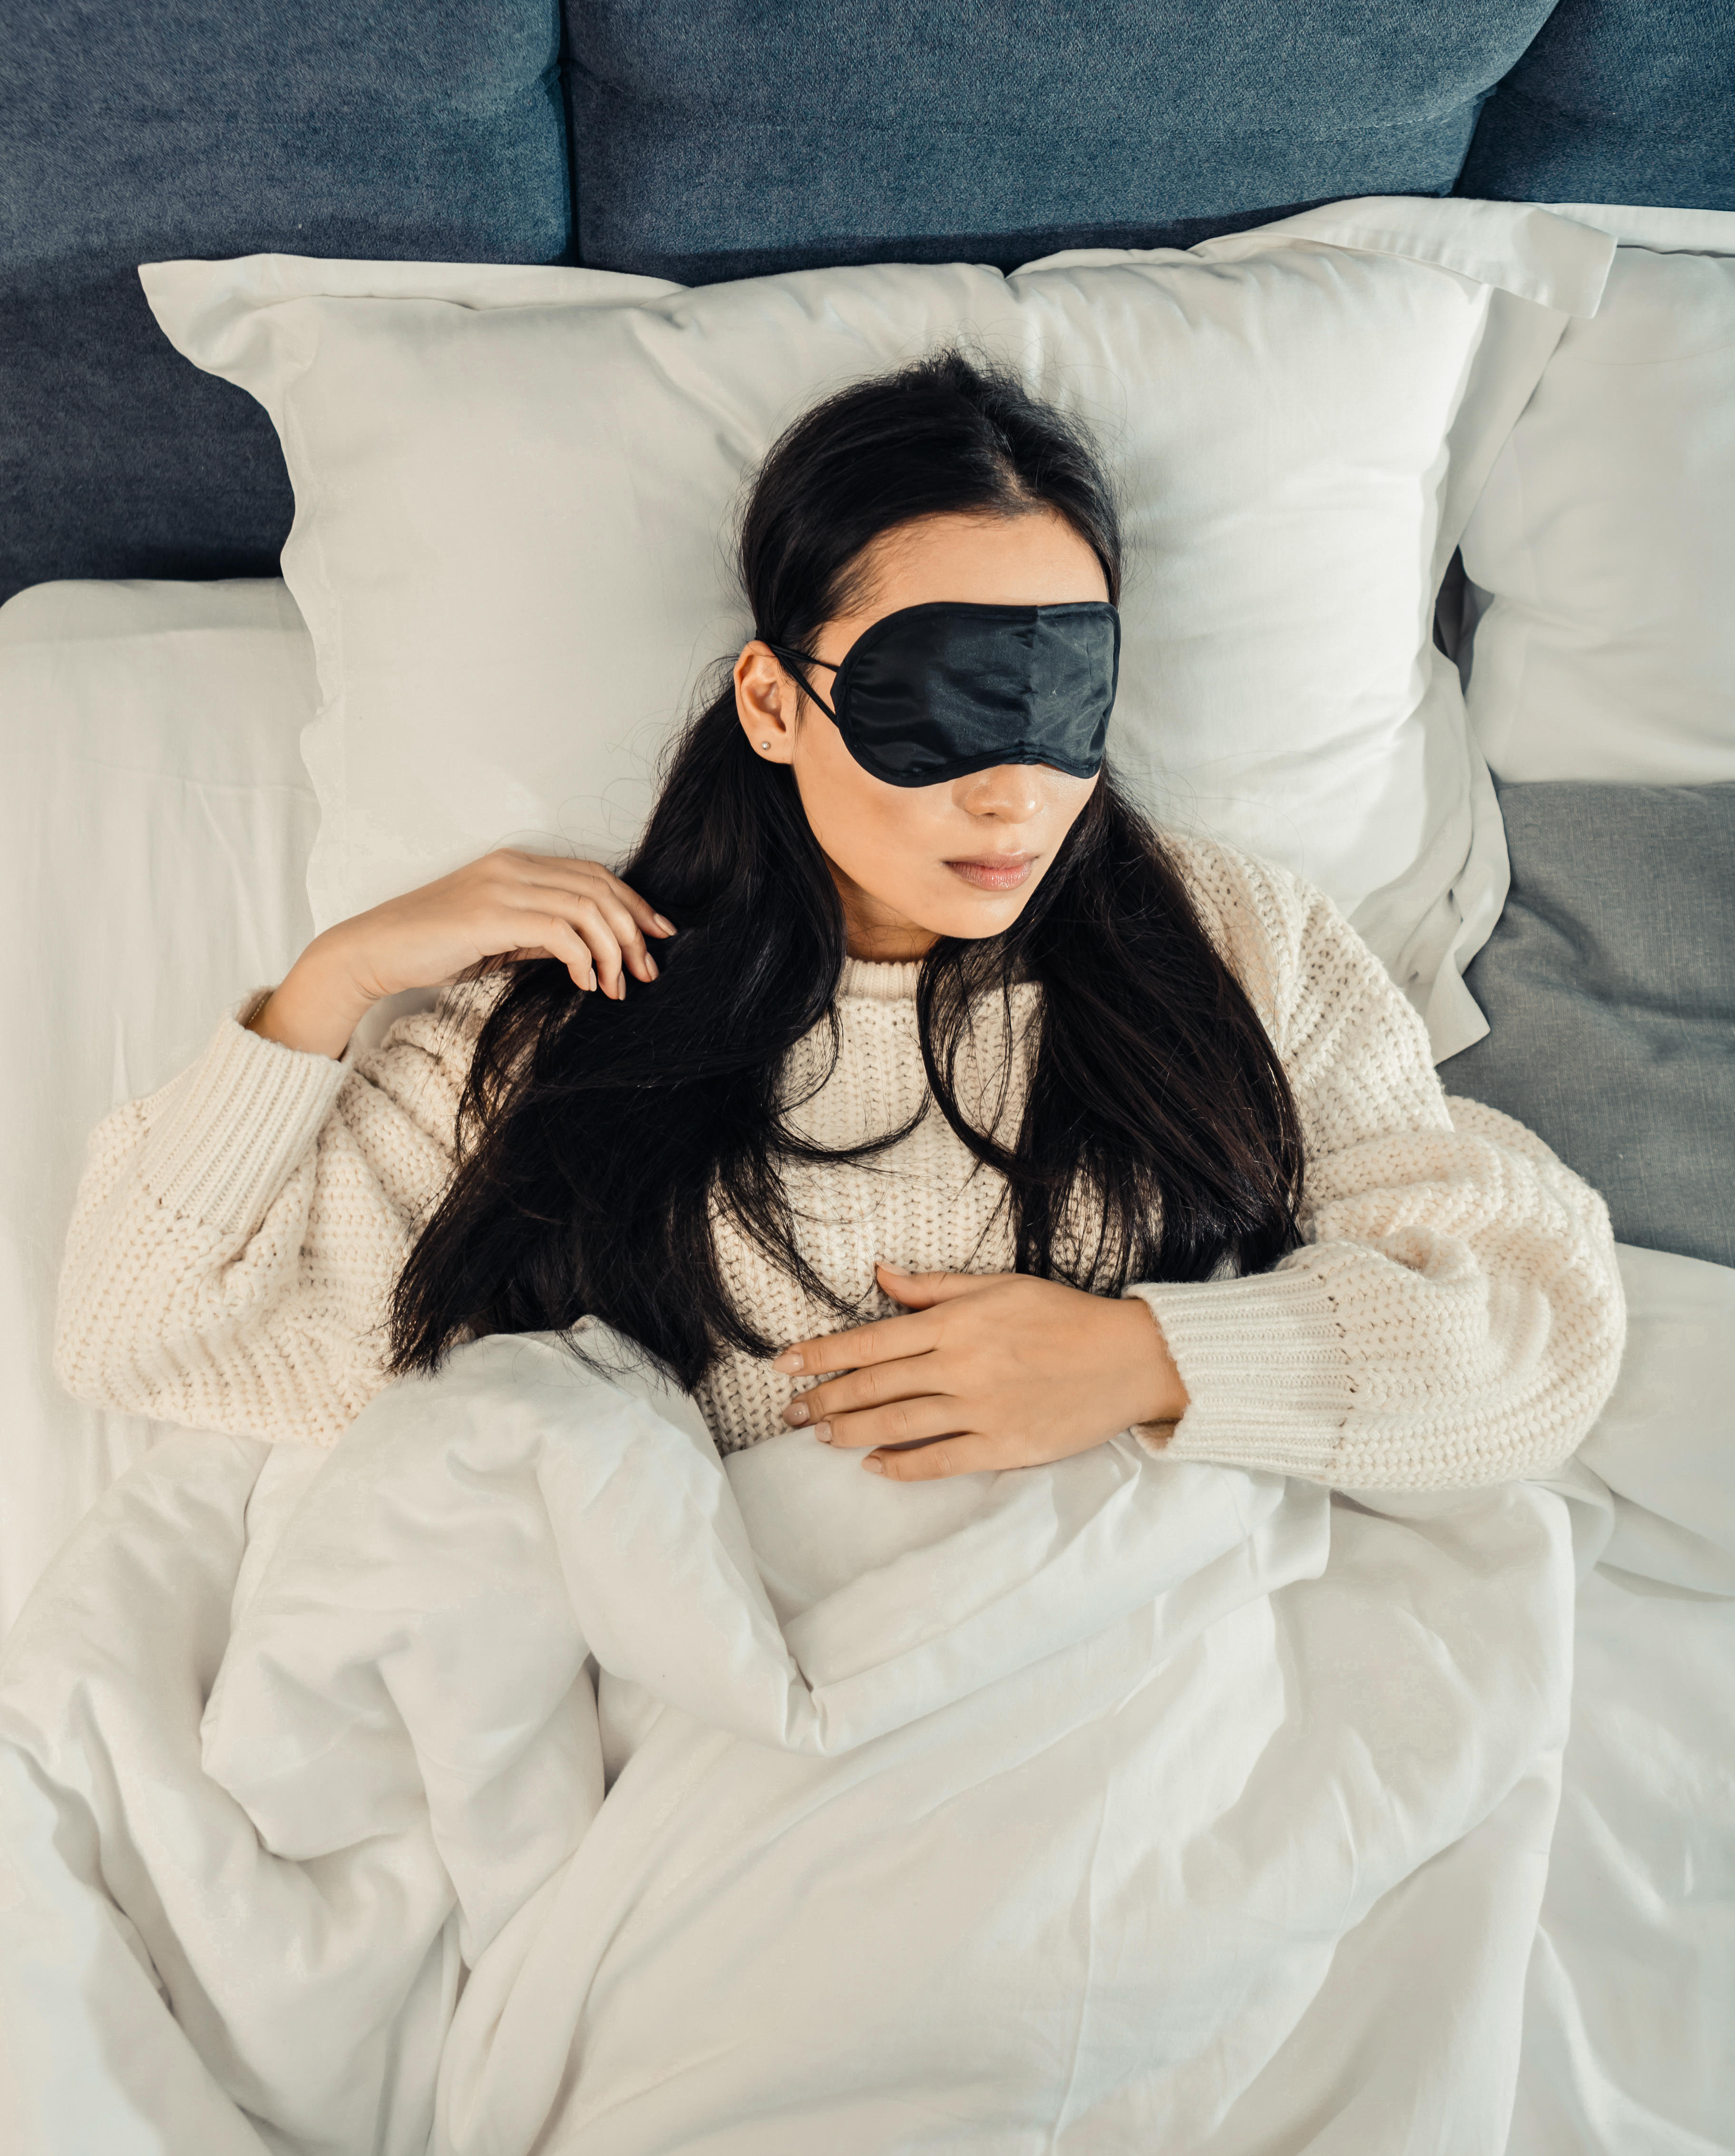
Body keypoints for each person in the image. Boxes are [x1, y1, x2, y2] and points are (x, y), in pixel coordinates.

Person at [54, 352, 1624, 1490]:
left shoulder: (1232, 944)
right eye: (935, 709)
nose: (1012, 802)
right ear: (775, 702)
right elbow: (138, 1340)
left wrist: (1149, 1365)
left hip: (1160, 1679)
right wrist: (336, 982)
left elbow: (1534, 1324)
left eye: (1059, 709)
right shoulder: (572, 1004)